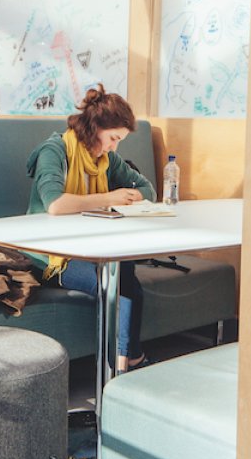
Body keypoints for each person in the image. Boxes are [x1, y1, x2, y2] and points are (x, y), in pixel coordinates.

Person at [26, 84, 156, 372]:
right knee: (118, 282)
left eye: (119, 140)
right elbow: (55, 204)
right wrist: (109, 198)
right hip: (48, 255)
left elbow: (148, 189)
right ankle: (124, 364)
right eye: (112, 138)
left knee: (124, 272)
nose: (114, 146)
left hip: (89, 246)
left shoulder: (106, 160)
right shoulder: (55, 151)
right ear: (95, 127)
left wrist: (135, 197)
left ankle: (123, 362)